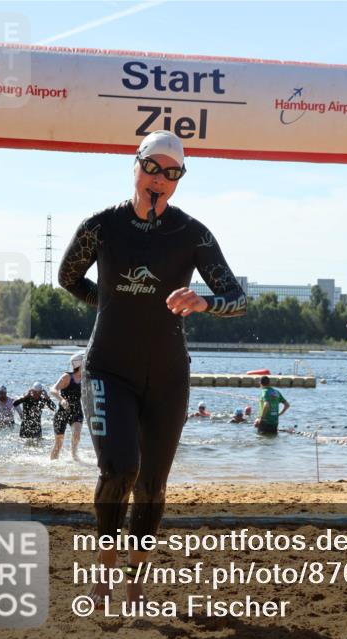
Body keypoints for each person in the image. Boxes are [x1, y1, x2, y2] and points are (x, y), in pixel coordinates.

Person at [58, 130, 247, 605]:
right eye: (152, 167)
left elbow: (238, 300)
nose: (159, 178)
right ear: (135, 165)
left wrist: (203, 302)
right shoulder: (101, 226)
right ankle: (104, 569)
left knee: (151, 484)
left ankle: (136, 575)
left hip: (167, 376)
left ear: (179, 180)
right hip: (107, 369)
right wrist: (106, 305)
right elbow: (67, 277)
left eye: (172, 172)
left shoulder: (192, 233)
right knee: (119, 468)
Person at [49, 352, 85, 460]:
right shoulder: (67, 377)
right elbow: (53, 390)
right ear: (79, 364)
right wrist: (62, 399)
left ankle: (74, 458)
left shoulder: (86, 378)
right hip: (62, 412)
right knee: (59, 443)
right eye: (85, 362)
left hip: (77, 411)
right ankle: (53, 463)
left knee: (77, 434)